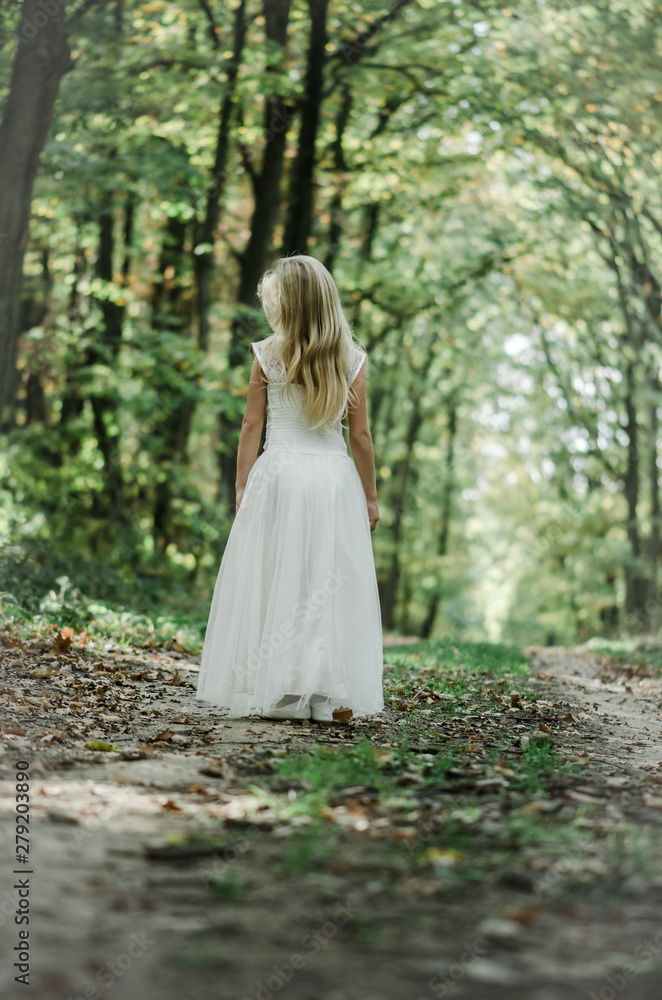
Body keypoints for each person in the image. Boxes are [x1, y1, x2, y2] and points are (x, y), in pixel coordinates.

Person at [196, 254, 384, 722]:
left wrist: (242, 486)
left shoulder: (267, 354)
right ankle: (320, 690)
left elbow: (250, 426)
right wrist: (370, 496)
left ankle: (279, 685)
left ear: (285, 303)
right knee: (325, 579)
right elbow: (360, 437)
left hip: (279, 475)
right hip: (334, 480)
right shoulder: (351, 360)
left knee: (278, 575)